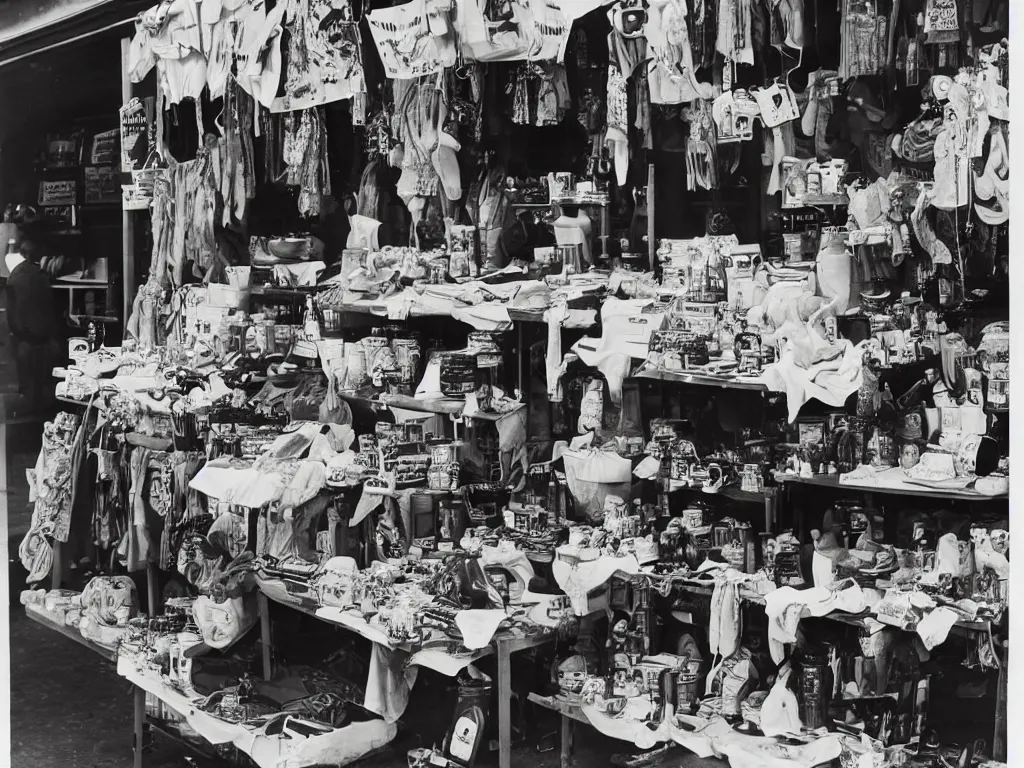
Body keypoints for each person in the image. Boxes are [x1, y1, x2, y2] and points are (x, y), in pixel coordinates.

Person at [6, 220, 59, 414]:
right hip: (36, 340)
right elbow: (48, 309)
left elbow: (14, 315)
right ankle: (35, 413)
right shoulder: (38, 276)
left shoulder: (19, 276)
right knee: (37, 383)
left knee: (30, 384)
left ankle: (31, 411)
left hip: (26, 340)